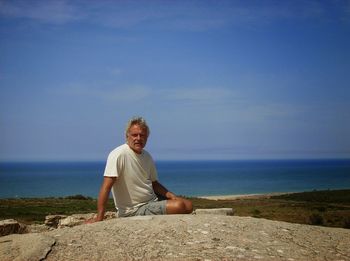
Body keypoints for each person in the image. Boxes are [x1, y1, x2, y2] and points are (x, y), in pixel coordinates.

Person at [90, 116, 193, 222]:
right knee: (179, 206)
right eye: (134, 135)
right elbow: (106, 187)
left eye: (142, 135)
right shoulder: (118, 154)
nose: (138, 138)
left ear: (147, 137)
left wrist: (172, 196)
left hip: (152, 201)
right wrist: (99, 217)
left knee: (188, 205)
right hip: (133, 210)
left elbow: (154, 184)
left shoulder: (146, 156)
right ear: (127, 136)